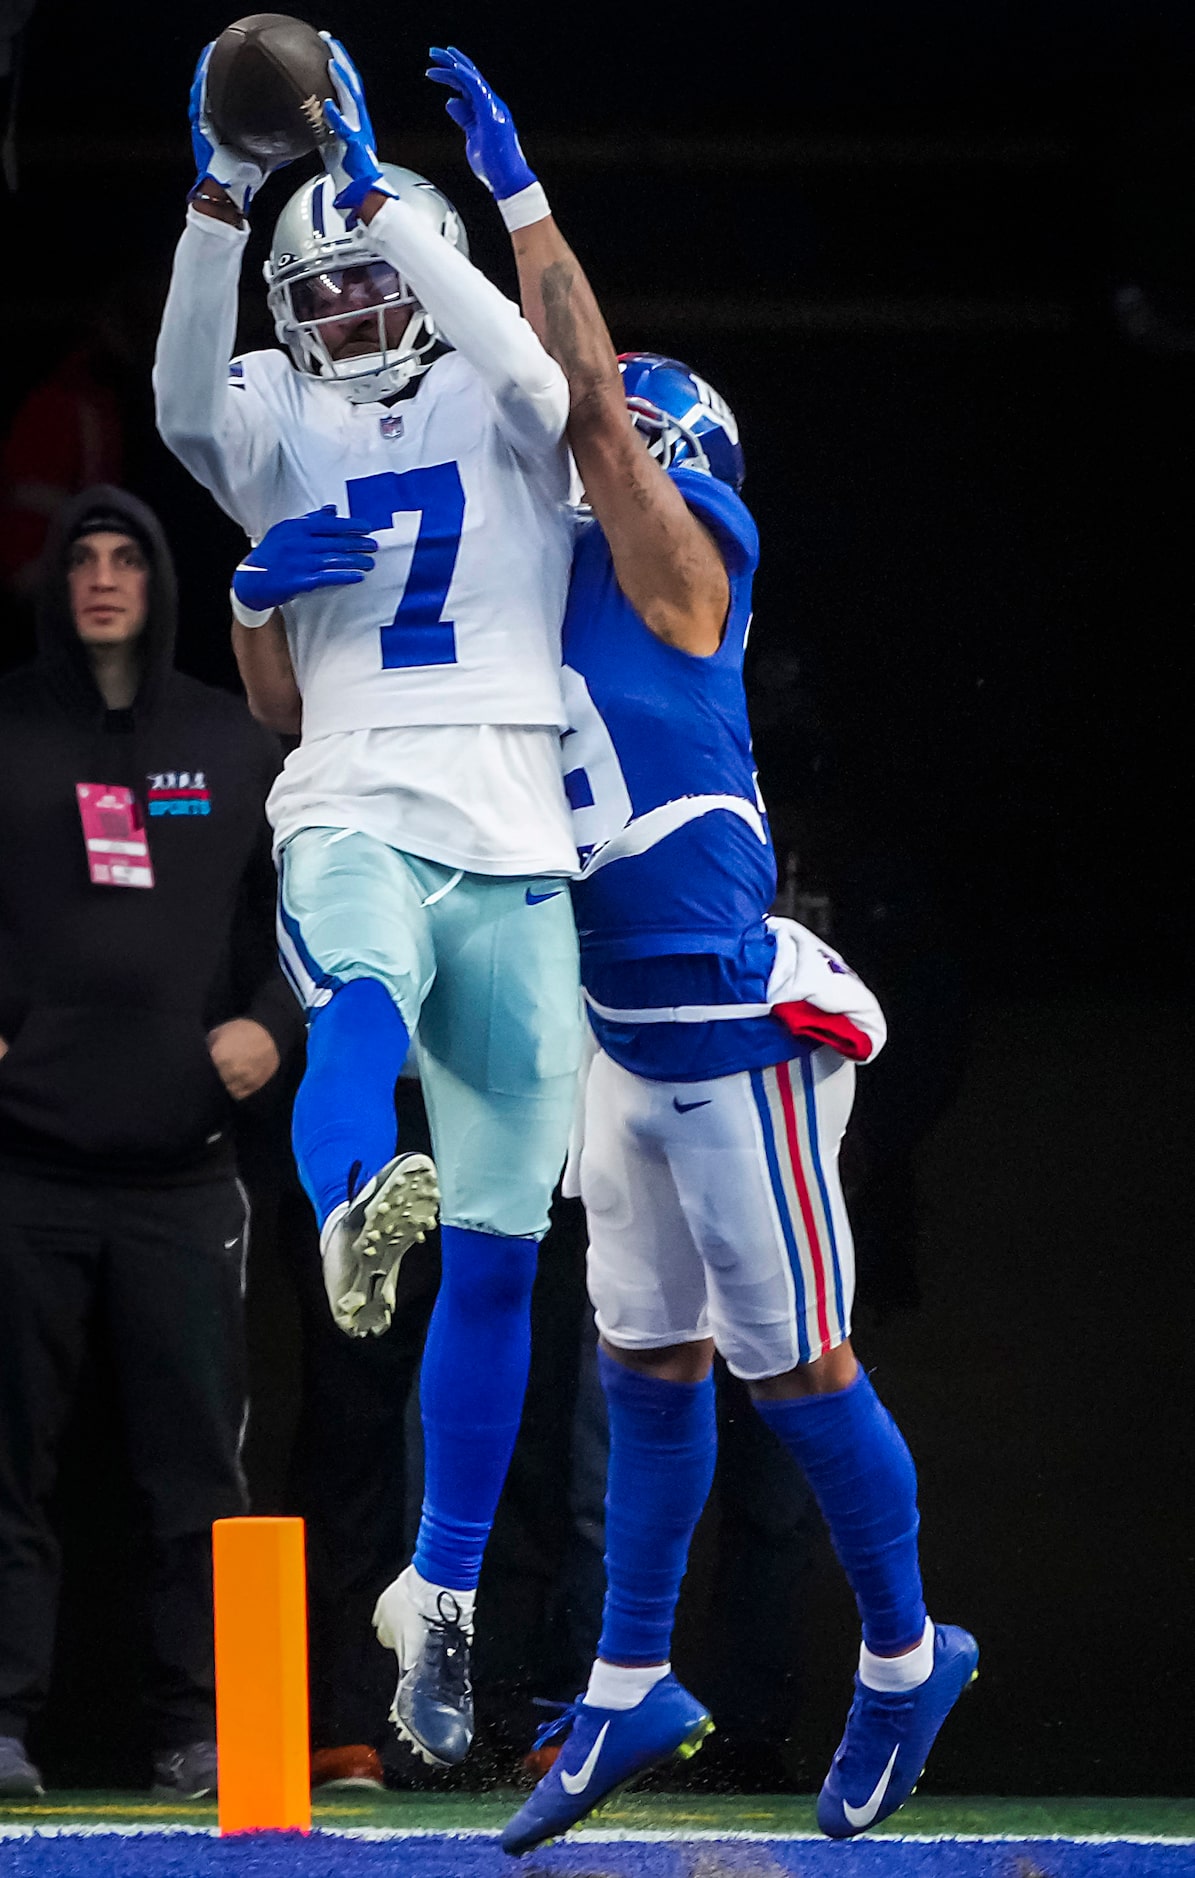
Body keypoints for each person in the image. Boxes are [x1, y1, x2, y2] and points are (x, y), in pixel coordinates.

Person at [422, 50, 979, 1853]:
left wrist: (518, 203)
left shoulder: (692, 562)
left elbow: (581, 397)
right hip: (612, 1036)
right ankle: (621, 1685)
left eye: (645, 433)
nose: (611, 445)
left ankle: (905, 1655)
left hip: (733, 1025)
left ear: (692, 461)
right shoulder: (545, 577)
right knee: (642, 1360)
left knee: (795, 1361)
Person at [154, 35, 582, 1769]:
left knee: (501, 1249)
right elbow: (192, 401)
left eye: (363, 283)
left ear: (423, 279)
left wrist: (419, 211)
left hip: (517, 823)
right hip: (353, 785)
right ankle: (344, 1201)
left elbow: (549, 384)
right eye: (311, 290)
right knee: (362, 999)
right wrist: (219, 204)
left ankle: (446, 1592)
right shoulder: (277, 413)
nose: (334, 316)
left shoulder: (497, 387)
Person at [0, 484, 301, 1799]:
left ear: (160, 579)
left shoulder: (235, 743)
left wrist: (275, 1027)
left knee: (203, 1468)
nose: (106, 576)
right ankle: (2, 1721)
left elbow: (325, 904)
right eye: (86, 556)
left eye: (130, 555)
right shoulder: (6, 728)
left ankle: (205, 1729)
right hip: (24, 1168)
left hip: (185, 1174)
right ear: (58, 579)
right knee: (7, 1462)